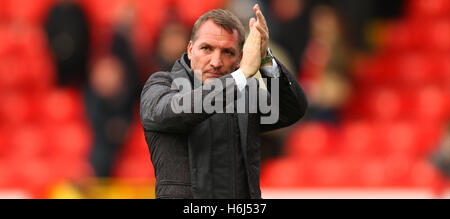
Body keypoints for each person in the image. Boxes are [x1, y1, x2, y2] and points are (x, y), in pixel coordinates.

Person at [140, 4, 307, 199]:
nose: (216, 61)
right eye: (207, 48)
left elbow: (292, 108)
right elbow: (176, 110)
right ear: (190, 50)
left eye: (227, 52)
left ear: (240, 58)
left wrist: (264, 60)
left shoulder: (246, 94)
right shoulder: (161, 85)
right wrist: (242, 75)